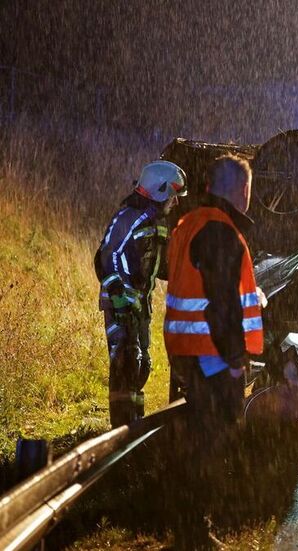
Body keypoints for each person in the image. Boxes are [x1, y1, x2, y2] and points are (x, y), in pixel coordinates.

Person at [163, 154, 263, 548]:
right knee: (211, 441)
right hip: (212, 354)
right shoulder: (221, 230)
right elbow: (220, 302)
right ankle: (196, 531)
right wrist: (235, 360)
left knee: (196, 438)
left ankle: (186, 525)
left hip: (187, 348)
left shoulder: (190, 223)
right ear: (243, 190)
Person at [94, 160, 187, 427]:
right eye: (173, 195)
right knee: (125, 363)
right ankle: (121, 430)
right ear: (160, 190)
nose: (175, 202)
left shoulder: (156, 222)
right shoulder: (128, 218)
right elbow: (107, 256)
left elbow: (156, 265)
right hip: (121, 304)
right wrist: (118, 295)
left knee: (141, 364)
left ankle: (134, 425)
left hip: (140, 305)